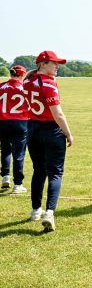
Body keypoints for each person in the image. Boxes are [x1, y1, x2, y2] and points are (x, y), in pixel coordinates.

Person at [23, 51, 74, 232]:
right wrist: (68, 133)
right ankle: (49, 212)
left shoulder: (27, 81)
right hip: (51, 130)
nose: (57, 66)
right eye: (54, 63)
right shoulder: (49, 83)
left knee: (39, 170)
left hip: (32, 128)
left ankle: (36, 210)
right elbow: (57, 113)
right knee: (55, 173)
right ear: (43, 64)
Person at [0, 65, 29, 193]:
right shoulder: (26, 88)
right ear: (23, 75)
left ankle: (5, 176)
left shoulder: (1, 86)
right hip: (21, 122)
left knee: (5, 149)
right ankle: (18, 184)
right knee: (19, 153)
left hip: (2, 121)